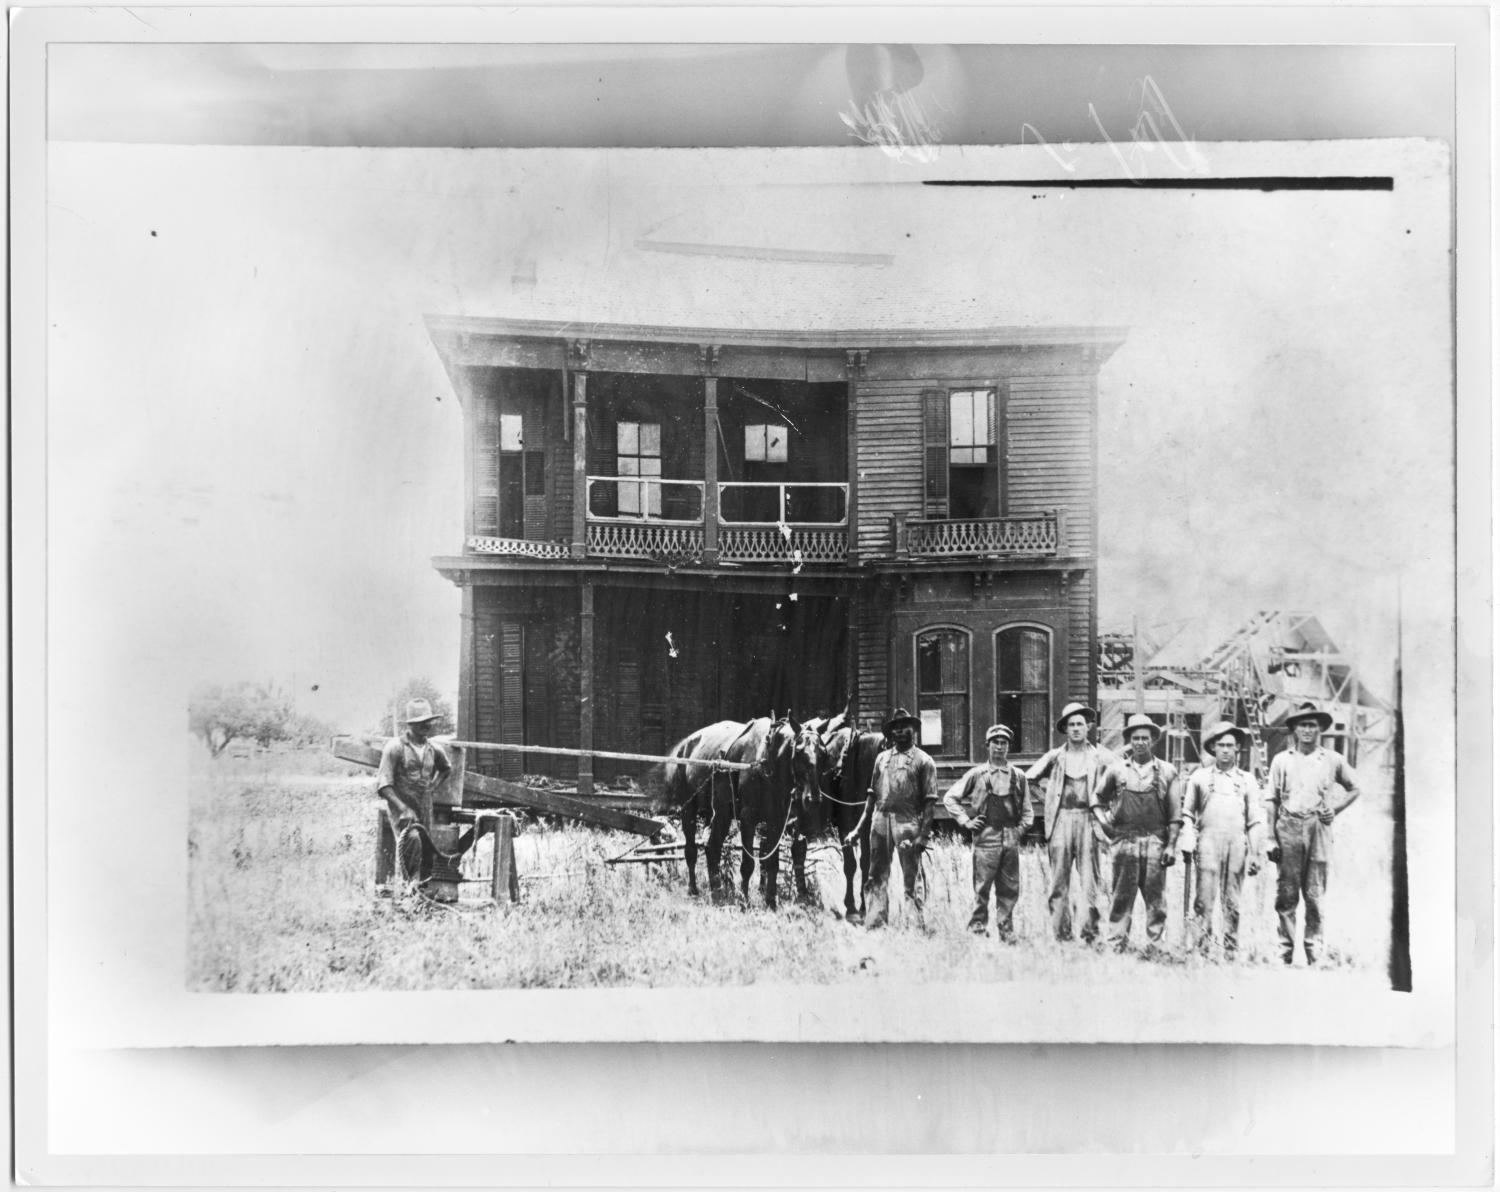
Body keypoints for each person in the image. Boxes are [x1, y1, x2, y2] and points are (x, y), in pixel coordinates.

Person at [1265, 701, 1363, 967]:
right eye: (1302, 725)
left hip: (1318, 829)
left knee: (1315, 894)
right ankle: (1283, 952)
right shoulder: (1281, 760)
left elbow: (1355, 788)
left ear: (1319, 728)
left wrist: (1336, 808)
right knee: (1286, 894)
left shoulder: (1332, 759)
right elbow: (1271, 799)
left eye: (1312, 725)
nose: (1307, 730)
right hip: (1288, 828)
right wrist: (1271, 837)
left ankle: (1315, 952)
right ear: (1294, 729)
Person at [1025, 702, 1116, 943]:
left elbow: (1122, 779)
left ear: (1088, 727)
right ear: (1065, 729)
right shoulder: (1055, 757)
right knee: (1058, 882)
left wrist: (1108, 814)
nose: (1076, 729)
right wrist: (1048, 802)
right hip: (1061, 821)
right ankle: (1061, 936)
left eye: (1080, 724)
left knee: (1090, 882)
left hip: (1089, 821)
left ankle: (1089, 934)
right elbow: (1028, 780)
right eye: (1071, 725)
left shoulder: (1101, 756)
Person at [1091, 713, 1182, 955]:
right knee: (1121, 897)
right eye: (1135, 738)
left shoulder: (1168, 771)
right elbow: (1097, 800)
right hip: (1124, 842)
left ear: (1153, 740)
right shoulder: (1116, 770)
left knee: (1156, 900)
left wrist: (1171, 846)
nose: (1140, 742)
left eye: (1145, 738)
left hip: (1155, 842)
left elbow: (1175, 815)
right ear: (1129, 740)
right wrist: (1105, 824)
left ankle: (1155, 946)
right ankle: (1116, 944)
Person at [845, 707, 938, 931]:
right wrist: (858, 829)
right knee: (876, 876)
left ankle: (915, 926)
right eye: (895, 728)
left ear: (913, 730)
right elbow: (871, 797)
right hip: (879, 822)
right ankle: (876, 924)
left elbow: (930, 803)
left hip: (908, 823)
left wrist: (923, 836)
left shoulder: (924, 761)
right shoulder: (881, 759)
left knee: (911, 879)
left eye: (904, 727)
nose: (899, 732)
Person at [1180, 722, 1266, 960]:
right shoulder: (1199, 777)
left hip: (1237, 844)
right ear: (1213, 748)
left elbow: (1254, 820)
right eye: (1221, 745)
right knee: (1204, 899)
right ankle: (1202, 949)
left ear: (1237, 748)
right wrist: (1188, 836)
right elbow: (1187, 813)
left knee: (1233, 901)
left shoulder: (1247, 780)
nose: (1226, 750)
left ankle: (1230, 949)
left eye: (1230, 745)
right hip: (1207, 842)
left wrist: (1256, 853)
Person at [942, 724, 1032, 941]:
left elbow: (1028, 812)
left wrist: (1018, 831)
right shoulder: (977, 774)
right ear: (987, 746)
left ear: (1009, 746)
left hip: (1010, 837)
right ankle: (978, 928)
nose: (999, 747)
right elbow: (949, 798)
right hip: (986, 838)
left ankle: (1006, 930)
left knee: (1009, 888)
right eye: (995, 743)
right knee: (982, 888)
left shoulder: (1018, 776)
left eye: (1004, 743)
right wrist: (966, 821)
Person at [377, 699, 453, 878]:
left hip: (425, 806)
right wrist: (403, 808)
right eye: (420, 722)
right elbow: (384, 785)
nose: (426, 725)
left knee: (427, 848)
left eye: (428, 721)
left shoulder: (434, 749)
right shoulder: (395, 747)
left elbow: (446, 768)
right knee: (412, 840)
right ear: (410, 724)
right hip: (401, 807)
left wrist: (433, 787)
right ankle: (411, 891)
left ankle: (422, 893)